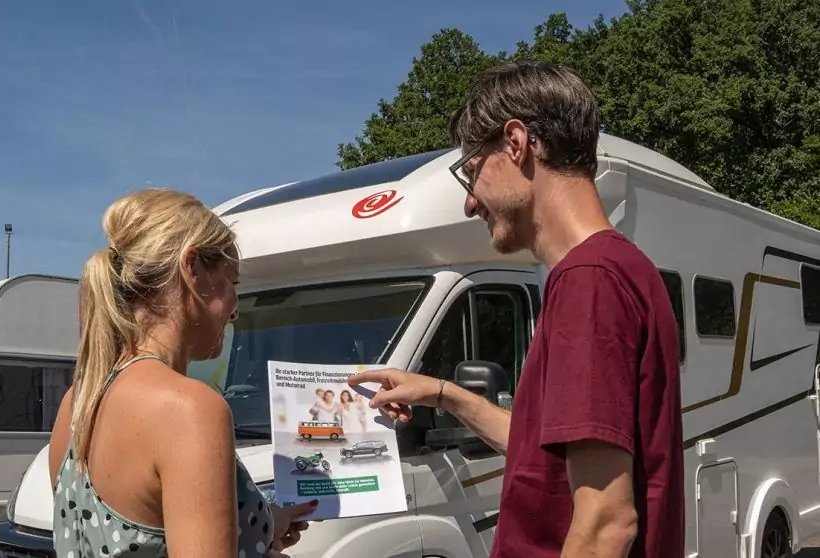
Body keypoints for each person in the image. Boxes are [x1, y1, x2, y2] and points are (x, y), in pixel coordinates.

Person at [348, 62, 684, 557]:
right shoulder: (619, 268)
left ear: (516, 143)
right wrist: (442, 395)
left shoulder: (588, 282)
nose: (469, 204)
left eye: (470, 171)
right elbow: (541, 453)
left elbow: (606, 524)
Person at [48, 188, 315, 557]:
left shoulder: (76, 404)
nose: (235, 309)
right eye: (233, 283)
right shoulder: (189, 409)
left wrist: (267, 521)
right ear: (192, 269)